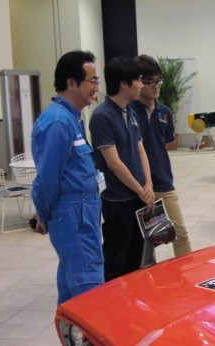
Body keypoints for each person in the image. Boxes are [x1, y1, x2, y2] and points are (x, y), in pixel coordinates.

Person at [31, 50, 104, 305]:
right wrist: (43, 212)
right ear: (71, 83)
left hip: (83, 212)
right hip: (73, 214)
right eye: (92, 81)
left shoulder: (71, 118)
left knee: (73, 287)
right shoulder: (58, 122)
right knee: (88, 289)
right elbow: (47, 179)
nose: (97, 87)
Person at [89, 56, 154, 282]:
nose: (141, 85)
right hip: (119, 200)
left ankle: (131, 306)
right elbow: (114, 163)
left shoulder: (130, 111)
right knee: (117, 260)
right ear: (123, 84)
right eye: (137, 79)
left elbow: (141, 150)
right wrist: (140, 190)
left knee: (137, 257)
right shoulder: (102, 116)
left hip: (138, 196)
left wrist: (149, 184)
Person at [130, 54, 192, 256]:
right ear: (139, 82)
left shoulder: (164, 111)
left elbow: (166, 143)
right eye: (150, 82)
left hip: (164, 183)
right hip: (138, 187)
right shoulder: (128, 111)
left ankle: (184, 279)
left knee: (180, 234)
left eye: (159, 81)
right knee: (144, 241)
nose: (157, 86)